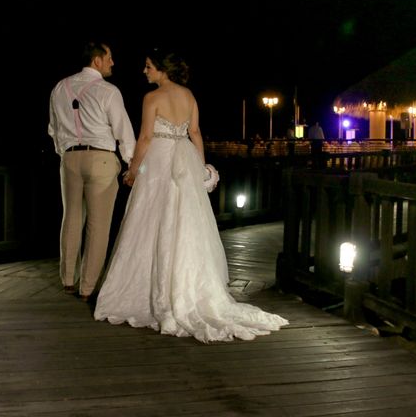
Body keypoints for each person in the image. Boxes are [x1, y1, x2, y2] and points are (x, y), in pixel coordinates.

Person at [94, 48, 288, 342]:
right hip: (184, 158)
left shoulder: (152, 98)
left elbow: (145, 138)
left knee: (151, 220)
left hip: (159, 160)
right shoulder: (189, 96)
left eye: (148, 66)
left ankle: (148, 289)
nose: (144, 71)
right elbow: (195, 133)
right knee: (185, 223)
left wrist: (133, 171)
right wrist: (200, 168)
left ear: (162, 69)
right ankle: (188, 287)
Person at [48, 41, 136, 301]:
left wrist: (64, 152)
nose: (112, 62)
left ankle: (67, 280)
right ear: (97, 60)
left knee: (71, 219)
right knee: (98, 227)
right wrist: (132, 165)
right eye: (109, 57)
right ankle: (87, 288)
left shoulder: (59, 87)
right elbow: (123, 132)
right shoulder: (108, 91)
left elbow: (53, 129)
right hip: (101, 159)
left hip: (70, 159)